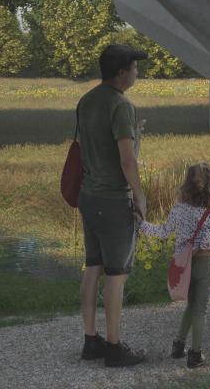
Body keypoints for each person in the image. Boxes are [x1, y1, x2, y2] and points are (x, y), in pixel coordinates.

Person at [77, 42, 149, 367]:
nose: (137, 71)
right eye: (135, 67)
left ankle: (91, 340)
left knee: (93, 266)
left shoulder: (86, 100)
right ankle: (115, 347)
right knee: (116, 274)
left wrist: (135, 134)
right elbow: (126, 160)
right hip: (112, 199)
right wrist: (140, 195)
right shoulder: (122, 105)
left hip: (89, 197)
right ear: (122, 73)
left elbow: (92, 144)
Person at [140, 162, 210, 368]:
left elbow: (164, 232)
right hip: (203, 264)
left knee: (191, 305)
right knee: (200, 309)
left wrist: (141, 224)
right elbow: (207, 243)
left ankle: (178, 345)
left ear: (186, 185)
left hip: (182, 265)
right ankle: (195, 354)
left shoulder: (179, 209)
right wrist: (198, 245)